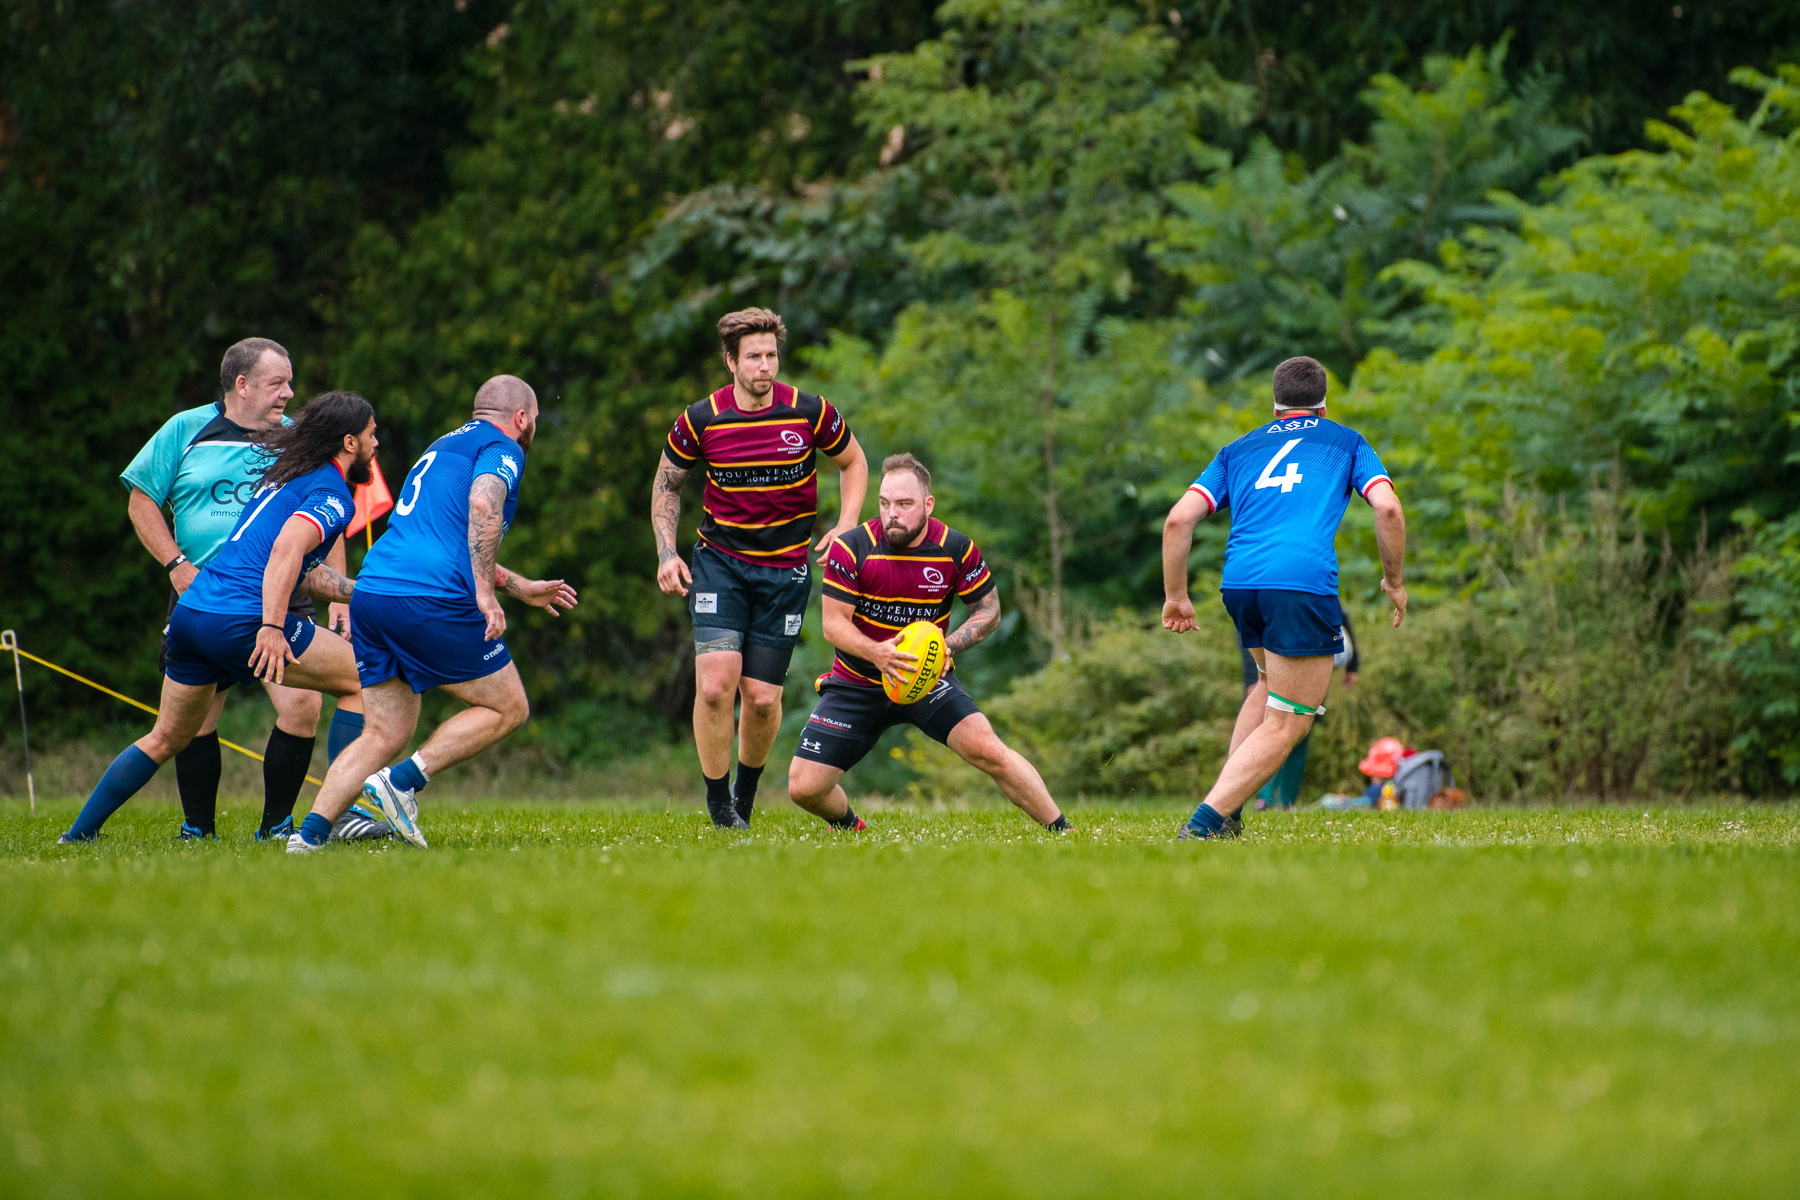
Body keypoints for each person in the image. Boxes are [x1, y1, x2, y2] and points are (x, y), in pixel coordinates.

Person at [60, 392, 378, 842]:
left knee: (167, 735)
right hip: (246, 619)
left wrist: (361, 594)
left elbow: (300, 569)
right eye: (371, 434)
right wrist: (270, 627)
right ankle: (337, 819)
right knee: (363, 679)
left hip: (192, 615)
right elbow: (286, 552)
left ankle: (77, 835)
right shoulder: (331, 493)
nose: (376, 443)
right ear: (349, 443)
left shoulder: (283, 478)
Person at [288, 376, 578, 853]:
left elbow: (447, 536)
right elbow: (484, 502)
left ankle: (311, 835)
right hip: (431, 598)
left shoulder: (442, 446)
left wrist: (518, 585)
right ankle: (401, 783)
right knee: (508, 707)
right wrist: (484, 593)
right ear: (521, 419)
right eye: (534, 422)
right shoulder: (503, 447)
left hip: (374, 593)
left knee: (385, 730)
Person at [1161, 356, 1406, 840]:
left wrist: (1176, 596)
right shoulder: (1346, 442)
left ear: (1275, 404)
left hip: (1240, 583)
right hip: (1300, 583)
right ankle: (1205, 822)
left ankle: (1228, 813)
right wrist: (1394, 581)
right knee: (1290, 721)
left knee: (1265, 686)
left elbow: (1178, 520)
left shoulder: (1237, 449)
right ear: (1324, 403)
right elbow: (1389, 508)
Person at [652, 308, 869, 829]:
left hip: (786, 570)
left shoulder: (811, 412)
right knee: (713, 687)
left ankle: (743, 800)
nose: (765, 366)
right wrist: (666, 552)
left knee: (764, 700)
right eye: (754, 357)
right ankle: (719, 807)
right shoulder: (700, 419)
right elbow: (666, 485)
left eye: (772, 355)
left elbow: (854, 463)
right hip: (720, 564)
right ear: (731, 361)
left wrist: (846, 526)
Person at [789, 454, 1071, 833]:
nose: (893, 514)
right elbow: (833, 626)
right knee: (804, 789)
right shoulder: (852, 548)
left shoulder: (955, 549)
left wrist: (948, 647)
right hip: (858, 682)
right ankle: (850, 825)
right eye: (885, 503)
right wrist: (879, 654)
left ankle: (1062, 830)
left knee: (990, 751)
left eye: (904, 504)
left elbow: (989, 611)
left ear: (927, 504)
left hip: (926, 679)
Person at [1242, 613, 1358, 810]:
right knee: (1268, 735)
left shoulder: (1319, 586)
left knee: (1298, 737)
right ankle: (1265, 799)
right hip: (1273, 675)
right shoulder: (1264, 590)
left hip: (1310, 674)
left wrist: (1353, 666)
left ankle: (1287, 801)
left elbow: (1341, 620)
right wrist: (1252, 678)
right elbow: (1248, 635)